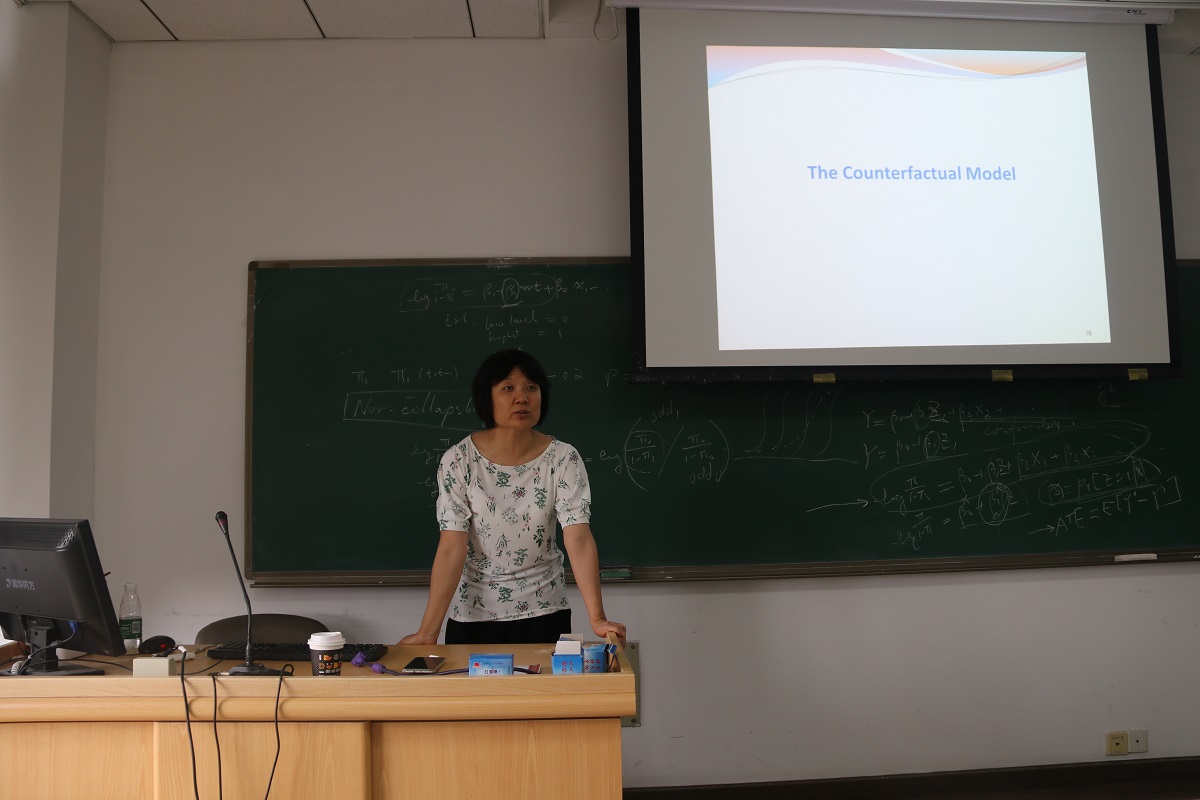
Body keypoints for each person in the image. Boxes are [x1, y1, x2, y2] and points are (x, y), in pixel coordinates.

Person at [399, 349, 626, 646]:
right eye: (508, 388)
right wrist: (427, 633)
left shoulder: (563, 458)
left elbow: (579, 538)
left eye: (531, 387)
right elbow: (452, 547)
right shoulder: (459, 460)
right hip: (473, 615)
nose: (522, 398)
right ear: (486, 397)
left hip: (545, 611)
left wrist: (597, 618)